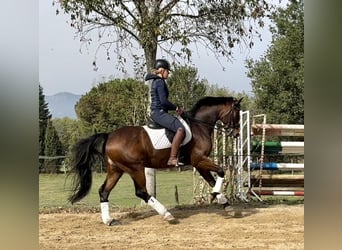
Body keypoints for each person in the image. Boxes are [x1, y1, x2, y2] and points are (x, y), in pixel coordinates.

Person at [145, 59, 185, 166]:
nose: (169, 73)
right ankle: (172, 158)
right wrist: (176, 108)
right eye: (168, 71)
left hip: (159, 112)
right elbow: (164, 101)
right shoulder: (160, 82)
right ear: (162, 71)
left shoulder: (157, 81)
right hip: (159, 112)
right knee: (180, 129)